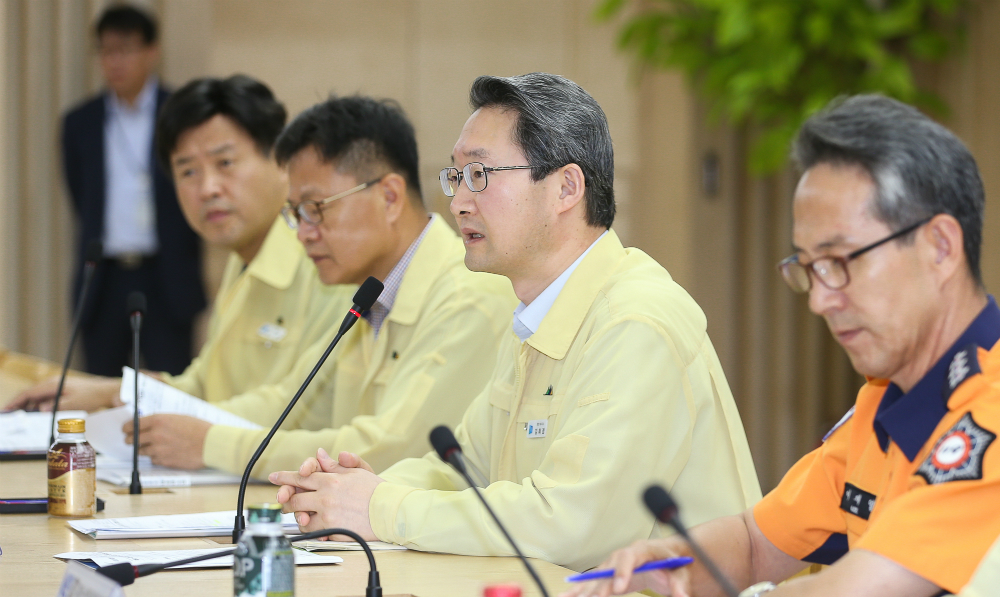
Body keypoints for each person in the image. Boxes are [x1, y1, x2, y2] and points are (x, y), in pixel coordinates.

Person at [269, 73, 761, 572]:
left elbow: (574, 526)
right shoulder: (537, 316)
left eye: (480, 176)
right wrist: (355, 491)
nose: (459, 201)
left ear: (566, 187)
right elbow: (463, 469)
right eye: (455, 177)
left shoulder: (635, 322)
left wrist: (381, 508)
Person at [566, 95, 1000, 597]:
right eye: (809, 269)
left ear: (940, 248)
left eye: (839, 261)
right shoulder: (884, 401)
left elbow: (862, 590)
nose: (819, 300)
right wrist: (672, 561)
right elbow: (756, 544)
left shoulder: (989, 411)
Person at [8, 76, 349, 471]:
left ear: (280, 160)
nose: (207, 188)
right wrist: (109, 392)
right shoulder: (241, 260)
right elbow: (202, 385)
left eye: (225, 163)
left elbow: (298, 407)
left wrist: (196, 434)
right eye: (187, 172)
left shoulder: (324, 262)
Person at [63, 4, 205, 375]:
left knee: (169, 385)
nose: (115, 62)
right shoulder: (80, 122)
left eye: (125, 49)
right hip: (104, 279)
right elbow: (81, 196)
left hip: (166, 275)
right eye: (106, 51)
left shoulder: (182, 115)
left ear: (151, 52)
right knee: (99, 387)